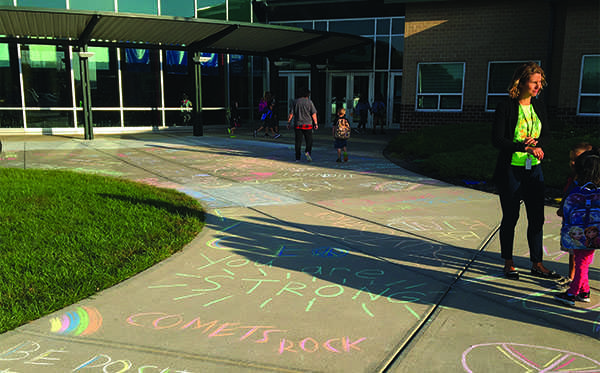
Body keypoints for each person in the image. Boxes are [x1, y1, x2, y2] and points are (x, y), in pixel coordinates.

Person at [491, 61, 561, 281]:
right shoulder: (506, 106)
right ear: (521, 82)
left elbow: (548, 135)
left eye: (540, 82)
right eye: (534, 82)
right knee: (511, 216)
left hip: (534, 171)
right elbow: (497, 139)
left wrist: (538, 143)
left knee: (537, 218)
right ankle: (509, 262)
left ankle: (537, 263)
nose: (538, 86)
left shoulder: (538, 106)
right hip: (511, 169)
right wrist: (524, 147)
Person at [554, 151, 600, 306]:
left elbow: (565, 211)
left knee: (581, 262)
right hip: (595, 233)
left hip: (577, 233)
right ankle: (584, 290)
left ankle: (572, 292)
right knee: (585, 261)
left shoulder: (576, 188)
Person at [556, 142, 594, 283]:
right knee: (574, 253)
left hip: (582, 225)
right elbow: (567, 196)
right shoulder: (573, 180)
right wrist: (562, 208)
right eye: (571, 159)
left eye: (576, 159)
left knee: (581, 257)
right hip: (572, 223)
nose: (572, 163)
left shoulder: (587, 184)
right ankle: (574, 278)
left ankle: (577, 286)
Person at [287, 87, 318, 162]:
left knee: (298, 141)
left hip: (298, 124)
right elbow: (313, 114)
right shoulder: (309, 102)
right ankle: (308, 152)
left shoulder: (295, 102)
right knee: (309, 141)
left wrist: (288, 122)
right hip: (308, 125)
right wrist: (316, 123)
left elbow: (291, 114)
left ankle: (297, 157)